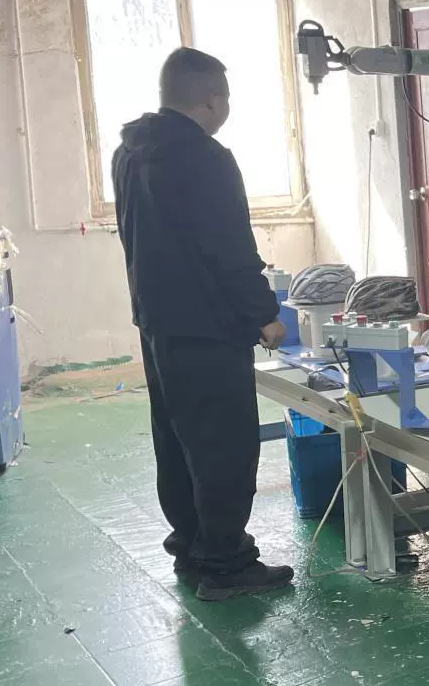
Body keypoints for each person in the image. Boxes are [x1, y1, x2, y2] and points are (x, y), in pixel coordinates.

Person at [112, 47, 294, 602]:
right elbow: (229, 247)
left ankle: (191, 545)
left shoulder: (130, 152)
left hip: (159, 323)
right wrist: (264, 314)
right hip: (209, 328)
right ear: (213, 99)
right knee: (224, 448)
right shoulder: (206, 159)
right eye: (226, 98)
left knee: (177, 440)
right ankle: (226, 564)